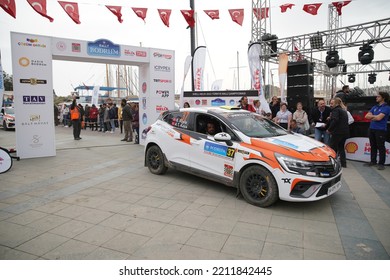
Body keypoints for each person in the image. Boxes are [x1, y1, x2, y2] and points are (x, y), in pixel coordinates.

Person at [364, 91, 390, 170]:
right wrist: (375, 116)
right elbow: (366, 116)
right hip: (372, 128)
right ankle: (373, 161)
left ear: (383, 98)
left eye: (378, 96)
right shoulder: (375, 106)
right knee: (373, 145)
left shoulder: (387, 107)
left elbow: (379, 118)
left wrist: (372, 116)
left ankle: (381, 163)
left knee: (380, 146)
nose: (376, 97)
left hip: (380, 129)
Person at [327, 97, 350, 168]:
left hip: (337, 132)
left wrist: (329, 129)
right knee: (341, 148)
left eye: (332, 103)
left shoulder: (336, 110)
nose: (331, 105)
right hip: (345, 132)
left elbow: (335, 120)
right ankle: (343, 164)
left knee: (332, 148)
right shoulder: (343, 110)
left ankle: (331, 163)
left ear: (336, 103)